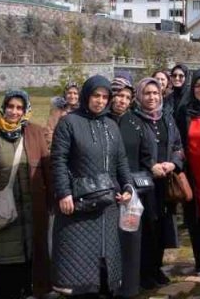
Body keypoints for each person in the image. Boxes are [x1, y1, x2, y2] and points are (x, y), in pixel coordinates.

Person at [50, 75, 136, 299]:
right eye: (96, 96)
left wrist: (127, 186)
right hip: (78, 206)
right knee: (79, 271)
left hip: (108, 206)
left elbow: (120, 161)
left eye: (105, 97)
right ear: (87, 95)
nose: (100, 101)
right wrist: (64, 193)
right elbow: (58, 160)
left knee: (106, 270)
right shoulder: (68, 123)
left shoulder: (111, 126)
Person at [0, 90, 52, 299]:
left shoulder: (36, 133)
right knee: (4, 260)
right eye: (10, 106)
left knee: (32, 256)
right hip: (2, 210)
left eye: (19, 108)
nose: (14, 112)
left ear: (26, 110)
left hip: (32, 209)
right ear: (3, 107)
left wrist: (52, 200)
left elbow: (47, 169)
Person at [132, 77, 184, 290]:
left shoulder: (167, 118)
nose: (152, 97)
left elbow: (178, 146)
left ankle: (156, 268)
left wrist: (173, 164)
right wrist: (151, 165)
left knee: (162, 225)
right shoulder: (133, 120)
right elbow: (131, 152)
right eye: (147, 93)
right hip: (144, 183)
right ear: (140, 96)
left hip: (166, 181)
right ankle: (144, 272)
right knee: (147, 228)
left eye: (155, 93)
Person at [109, 78, 152, 298]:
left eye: (127, 97)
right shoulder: (101, 121)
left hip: (131, 194)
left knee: (130, 242)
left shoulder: (137, 123)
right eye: (118, 95)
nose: (122, 101)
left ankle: (129, 288)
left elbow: (147, 159)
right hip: (106, 194)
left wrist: (132, 188)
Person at [174, 70, 200, 278]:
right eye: (198, 86)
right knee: (195, 217)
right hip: (192, 172)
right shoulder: (184, 111)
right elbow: (177, 140)